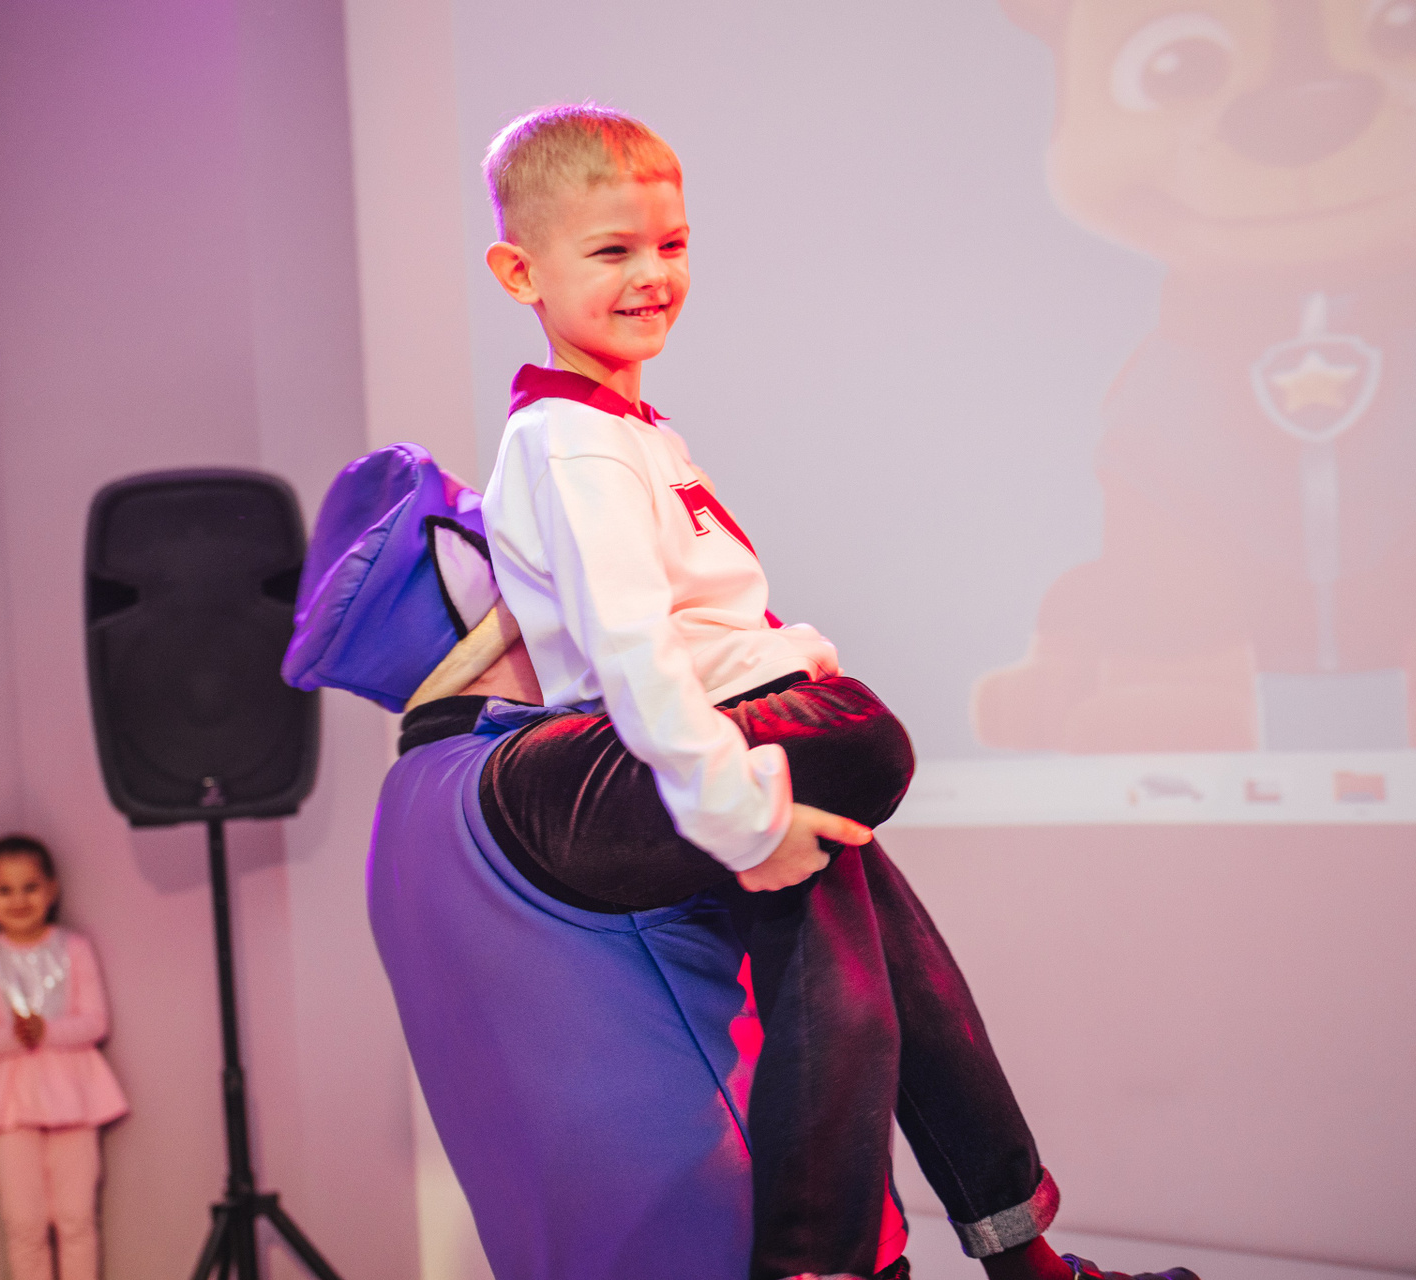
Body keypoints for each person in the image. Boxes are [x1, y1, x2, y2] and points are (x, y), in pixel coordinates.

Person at [484, 103, 1196, 1280]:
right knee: (858, 741)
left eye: (672, 244)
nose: (653, 275)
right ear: (522, 272)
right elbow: (633, 652)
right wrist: (743, 814)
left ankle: (1019, 1255)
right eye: (613, 250)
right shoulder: (573, 441)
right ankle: (849, 1262)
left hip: (706, 749)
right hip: (651, 767)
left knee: (900, 972)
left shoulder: (629, 426)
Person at [286, 443, 1193, 1280]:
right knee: (793, 818)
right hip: (736, 1249)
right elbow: (861, 742)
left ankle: (1021, 1249)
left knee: (779, 815)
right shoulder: (542, 778)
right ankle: (1016, 1248)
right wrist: (746, 648)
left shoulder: (409, 803)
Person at [0, 834, 128, 1280]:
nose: (19, 900)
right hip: (11, 1107)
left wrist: (47, 1031)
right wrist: (16, 1036)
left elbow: (95, 1022)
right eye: (5, 890)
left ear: (51, 890)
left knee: (76, 1218)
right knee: (24, 1223)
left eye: (30, 887)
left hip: (75, 1097)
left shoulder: (74, 948)